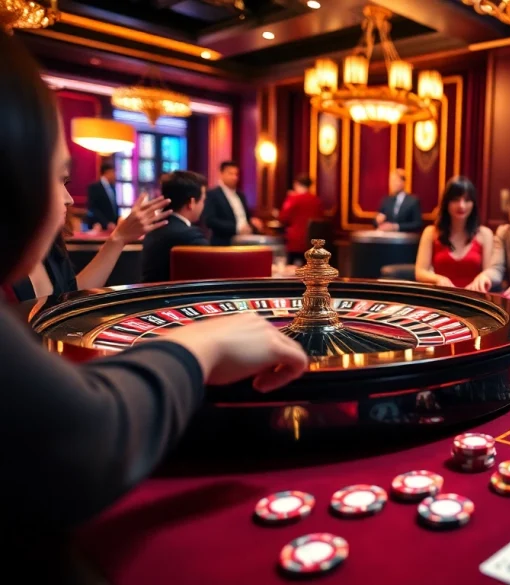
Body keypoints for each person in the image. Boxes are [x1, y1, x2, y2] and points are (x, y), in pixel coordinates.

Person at [0, 36, 308, 579]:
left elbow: (67, 301)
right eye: (59, 177)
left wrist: (118, 240)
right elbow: (87, 438)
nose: (68, 198)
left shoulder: (52, 257)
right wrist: (201, 342)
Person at [11, 183, 171, 302]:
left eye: (66, 183)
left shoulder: (51, 246)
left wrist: (119, 237)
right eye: (57, 181)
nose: (69, 199)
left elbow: (72, 294)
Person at [415, 176, 494, 288]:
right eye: (456, 200)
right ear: (446, 202)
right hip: (442, 295)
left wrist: (482, 279)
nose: (461, 205)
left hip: (474, 296)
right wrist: (438, 279)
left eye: (467, 200)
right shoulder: (430, 232)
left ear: (473, 204)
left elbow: (489, 272)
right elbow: (420, 272)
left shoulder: (485, 234)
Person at [141, 170, 210, 283]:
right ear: (191, 202)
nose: (203, 205)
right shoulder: (191, 236)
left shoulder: (154, 228)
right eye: (203, 200)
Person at [202, 161, 262, 245]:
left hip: (246, 238)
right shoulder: (212, 194)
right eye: (230, 174)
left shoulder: (240, 195)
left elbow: (247, 217)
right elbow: (210, 221)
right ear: (221, 174)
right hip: (225, 241)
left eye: (236, 174)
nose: (234, 177)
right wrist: (237, 228)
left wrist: (253, 221)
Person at [279, 173, 322, 264]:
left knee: (291, 266)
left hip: (295, 240)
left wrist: (288, 198)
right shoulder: (316, 200)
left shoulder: (293, 199)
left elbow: (283, 218)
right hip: (312, 241)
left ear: (296, 184)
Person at [85, 162, 119, 230]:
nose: (115, 176)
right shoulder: (94, 187)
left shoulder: (113, 188)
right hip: (99, 226)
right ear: (107, 172)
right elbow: (93, 208)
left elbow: (114, 208)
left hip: (113, 227)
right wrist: (106, 224)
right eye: (113, 172)